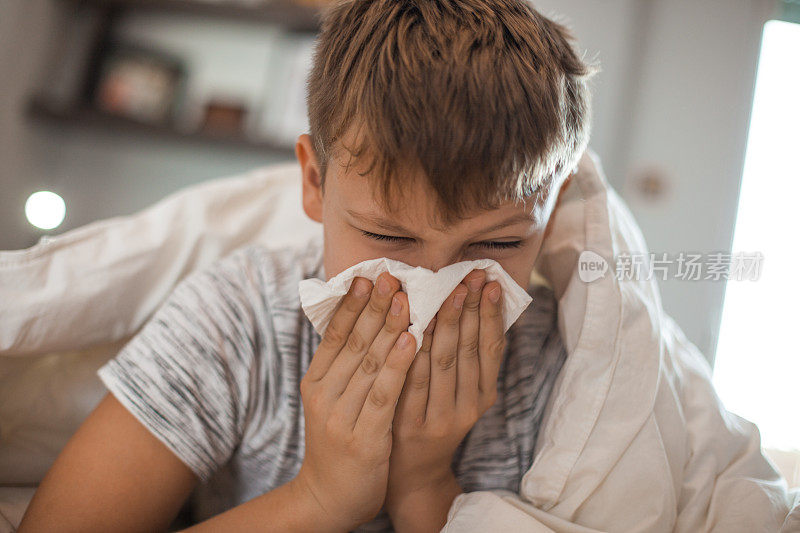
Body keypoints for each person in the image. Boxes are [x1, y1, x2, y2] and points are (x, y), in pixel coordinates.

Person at [17, 0, 795, 531]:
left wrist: (426, 488)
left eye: (494, 246)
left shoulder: (568, 371)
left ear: (551, 217)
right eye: (388, 237)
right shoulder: (237, 322)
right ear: (315, 184)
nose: (434, 286)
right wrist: (319, 497)